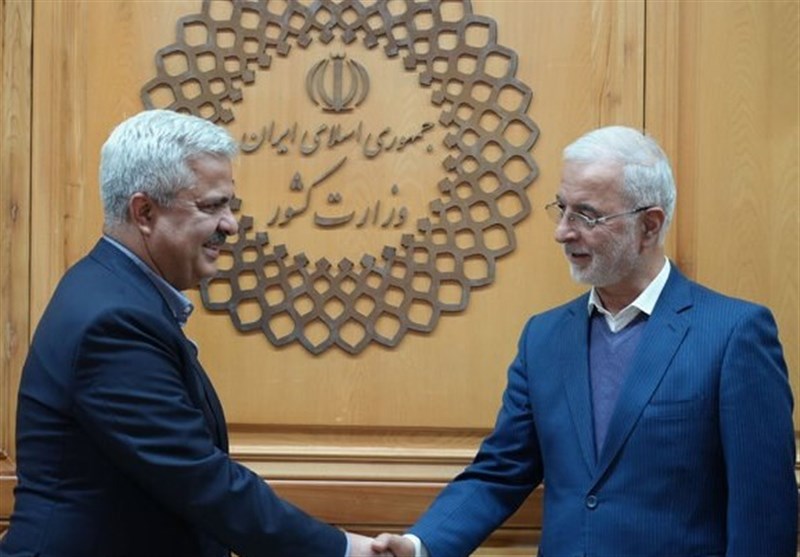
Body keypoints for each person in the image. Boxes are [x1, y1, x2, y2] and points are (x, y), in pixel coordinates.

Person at [373, 126, 797, 557]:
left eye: (586, 216)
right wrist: (420, 545)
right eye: (562, 209)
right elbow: (501, 471)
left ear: (649, 226)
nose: (562, 232)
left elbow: (764, 514)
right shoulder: (543, 337)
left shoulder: (733, 335)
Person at [0, 109, 388, 557]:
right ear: (145, 212)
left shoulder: (111, 290)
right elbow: (199, 478)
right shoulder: (113, 322)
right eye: (211, 206)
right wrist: (343, 549)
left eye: (229, 205)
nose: (231, 224)